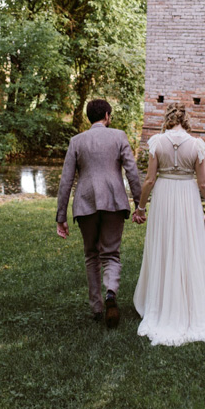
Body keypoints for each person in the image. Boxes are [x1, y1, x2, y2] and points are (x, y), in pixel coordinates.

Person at [131, 102, 205, 346]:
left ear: (168, 120)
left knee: (163, 246)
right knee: (188, 247)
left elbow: (148, 181)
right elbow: (204, 185)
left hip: (165, 197)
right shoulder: (196, 145)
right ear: (185, 120)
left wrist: (140, 207)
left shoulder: (157, 142)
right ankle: (189, 307)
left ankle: (159, 304)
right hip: (188, 197)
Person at [56, 98, 142, 328]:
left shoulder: (76, 141)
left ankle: (96, 307)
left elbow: (66, 181)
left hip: (85, 203)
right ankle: (111, 293)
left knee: (91, 254)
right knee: (111, 253)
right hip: (114, 201)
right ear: (106, 116)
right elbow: (132, 171)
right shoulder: (119, 136)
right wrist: (139, 204)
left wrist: (61, 217)